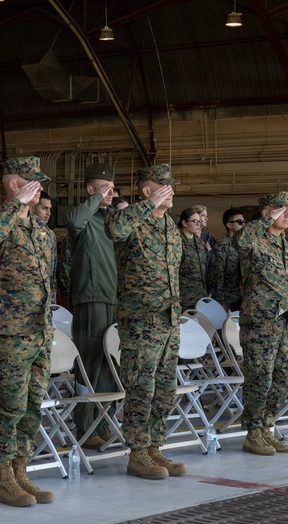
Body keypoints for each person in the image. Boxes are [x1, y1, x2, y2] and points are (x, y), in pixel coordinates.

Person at [0, 157, 57, 506]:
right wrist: (17, 204)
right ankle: (3, 479)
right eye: (31, 182)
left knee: (32, 406)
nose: (39, 188)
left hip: (40, 330)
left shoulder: (42, 231)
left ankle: (21, 471)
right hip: (10, 332)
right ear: (13, 185)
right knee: (9, 406)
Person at [105, 164, 187, 480]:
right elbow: (115, 230)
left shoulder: (170, 228)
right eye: (164, 186)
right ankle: (137, 453)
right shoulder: (130, 221)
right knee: (141, 387)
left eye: (172, 186)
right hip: (141, 321)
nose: (171, 191)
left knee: (165, 389)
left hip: (168, 320)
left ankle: (154, 447)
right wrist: (147, 206)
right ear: (147, 191)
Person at [238, 193, 288, 455]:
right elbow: (241, 240)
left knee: (281, 380)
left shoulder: (284, 244)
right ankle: (252, 433)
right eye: (282, 210)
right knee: (259, 379)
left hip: (283, 321)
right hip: (260, 323)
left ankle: (266, 428)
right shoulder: (254, 240)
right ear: (266, 213)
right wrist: (264, 221)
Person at [65, 163, 117, 447]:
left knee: (110, 363)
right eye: (104, 188)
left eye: (112, 188)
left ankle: (104, 422)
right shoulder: (83, 218)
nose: (110, 193)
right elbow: (73, 221)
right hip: (91, 297)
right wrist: (97, 198)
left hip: (114, 297)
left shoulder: (110, 220)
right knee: (90, 363)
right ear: (90, 190)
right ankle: (85, 427)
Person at [207, 207, 246, 312]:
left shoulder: (244, 244)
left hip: (243, 297)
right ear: (229, 225)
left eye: (244, 221)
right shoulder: (222, 245)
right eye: (240, 222)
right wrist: (220, 302)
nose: (243, 224)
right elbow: (217, 275)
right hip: (228, 299)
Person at [177, 208, 208, 311]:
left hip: (200, 296)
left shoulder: (199, 242)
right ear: (184, 223)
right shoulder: (176, 241)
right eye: (194, 221)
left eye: (199, 221)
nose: (198, 224)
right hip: (183, 298)